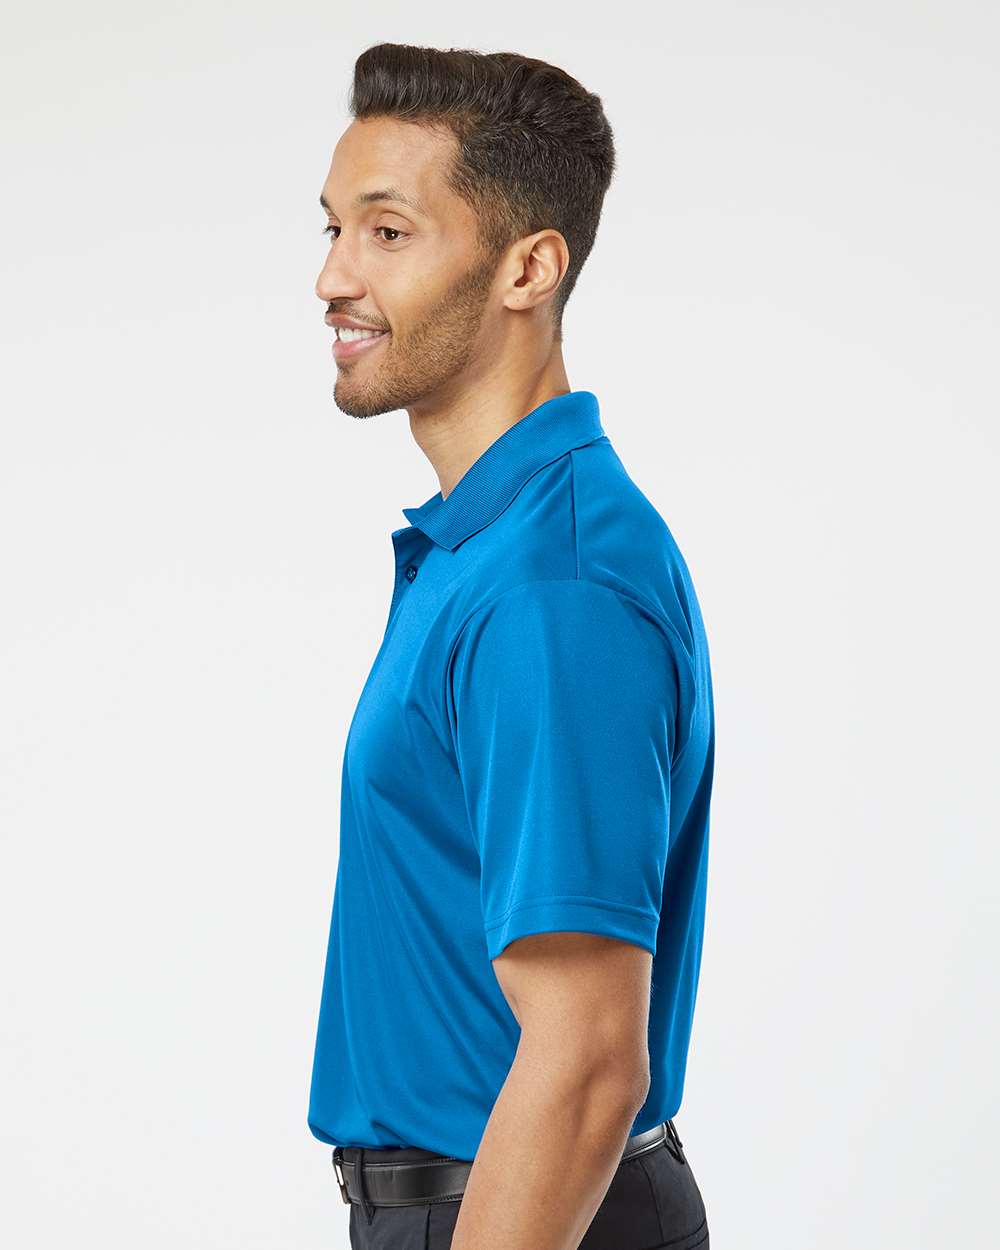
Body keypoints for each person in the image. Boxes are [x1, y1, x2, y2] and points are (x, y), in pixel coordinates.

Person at [308, 41, 714, 1250]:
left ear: (527, 267)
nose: (332, 276)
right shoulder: (489, 548)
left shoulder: (551, 589)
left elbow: (588, 1057)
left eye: (387, 233)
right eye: (332, 227)